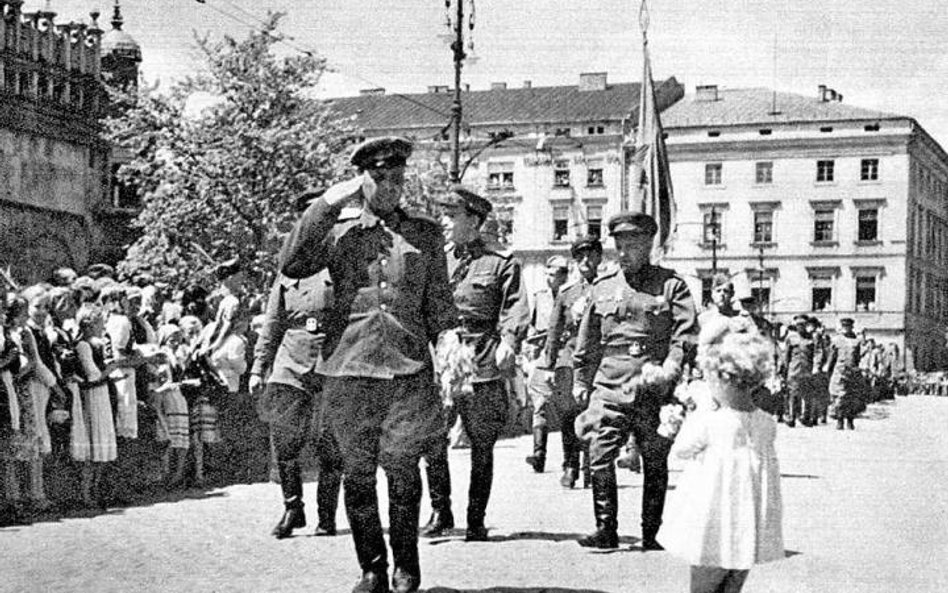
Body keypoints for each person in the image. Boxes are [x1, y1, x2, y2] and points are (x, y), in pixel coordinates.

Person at [279, 136, 458, 593]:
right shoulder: (337, 231)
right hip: (348, 368)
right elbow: (293, 263)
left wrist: (450, 339)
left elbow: (438, 301)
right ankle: (372, 567)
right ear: (362, 179)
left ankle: (406, 566)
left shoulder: (424, 234)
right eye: (379, 178)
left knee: (402, 472)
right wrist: (325, 203)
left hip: (407, 370)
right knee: (357, 476)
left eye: (397, 178)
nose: (390, 186)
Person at [572, 212, 698, 551]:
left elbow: (685, 334)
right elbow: (588, 339)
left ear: (649, 246)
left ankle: (650, 533)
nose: (624, 253)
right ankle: (606, 528)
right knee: (599, 452)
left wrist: (673, 363)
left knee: (654, 460)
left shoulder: (672, 286)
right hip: (610, 383)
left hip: (651, 385)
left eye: (632, 246)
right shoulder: (603, 287)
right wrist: (581, 378)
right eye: (620, 246)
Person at [421, 185, 529, 542]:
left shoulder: (500, 264)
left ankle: (476, 517)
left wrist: (509, 342)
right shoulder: (438, 260)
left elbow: (515, 308)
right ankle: (441, 510)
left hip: (482, 359)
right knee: (432, 439)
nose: (445, 222)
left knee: (482, 444)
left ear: (475, 221)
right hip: (442, 358)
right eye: (445, 215)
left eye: (452, 216)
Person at [662, 318, 784, 593]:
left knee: (703, 584)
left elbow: (682, 449)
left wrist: (683, 419)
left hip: (712, 520)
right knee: (733, 581)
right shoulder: (767, 421)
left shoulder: (710, 420)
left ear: (723, 379)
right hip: (748, 523)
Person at [249, 261, 343, 540]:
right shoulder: (287, 275)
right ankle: (293, 507)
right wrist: (258, 368)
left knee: (330, 442)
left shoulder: (339, 269)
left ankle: (327, 516)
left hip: (330, 361)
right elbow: (272, 323)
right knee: (284, 438)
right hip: (289, 362)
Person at [532, 235, 602, 489]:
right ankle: (570, 464)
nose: (586, 261)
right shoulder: (567, 294)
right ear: (575, 262)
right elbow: (553, 332)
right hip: (569, 360)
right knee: (569, 414)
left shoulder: (608, 290)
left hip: (598, 361)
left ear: (599, 258)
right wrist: (549, 366)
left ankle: (594, 465)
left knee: (597, 414)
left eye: (591, 255)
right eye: (580, 257)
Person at [524, 255, 569, 473]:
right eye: (547, 274)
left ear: (564, 276)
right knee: (539, 405)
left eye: (553, 275)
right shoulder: (540, 297)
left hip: (564, 358)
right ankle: (538, 454)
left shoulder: (571, 297)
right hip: (543, 357)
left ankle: (571, 461)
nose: (549, 279)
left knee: (566, 410)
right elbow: (533, 328)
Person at [825, 318, 863, 430]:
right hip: (839, 371)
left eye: (848, 326)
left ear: (852, 327)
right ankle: (840, 420)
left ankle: (850, 421)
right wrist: (829, 371)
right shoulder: (836, 340)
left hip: (852, 373)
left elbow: (857, 358)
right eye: (844, 326)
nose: (846, 329)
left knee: (851, 397)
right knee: (839, 398)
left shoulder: (856, 341)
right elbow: (832, 357)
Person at [779, 315, 814, 428]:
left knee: (807, 395)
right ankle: (791, 417)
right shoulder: (791, 338)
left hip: (807, 370)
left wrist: (817, 367)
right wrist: (784, 369)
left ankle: (806, 417)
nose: (801, 327)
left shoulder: (811, 338)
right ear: (796, 326)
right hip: (794, 370)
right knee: (793, 395)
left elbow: (816, 353)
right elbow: (786, 355)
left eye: (803, 325)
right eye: (799, 325)